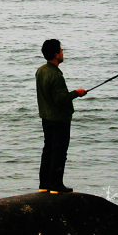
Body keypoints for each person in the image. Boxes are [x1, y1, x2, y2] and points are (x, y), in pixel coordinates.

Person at [35, 38, 86, 194]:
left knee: (48, 149)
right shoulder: (56, 76)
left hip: (46, 117)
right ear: (56, 54)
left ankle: (44, 184)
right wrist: (76, 94)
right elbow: (60, 99)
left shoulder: (41, 70)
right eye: (62, 50)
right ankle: (56, 185)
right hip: (59, 119)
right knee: (59, 152)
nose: (63, 53)